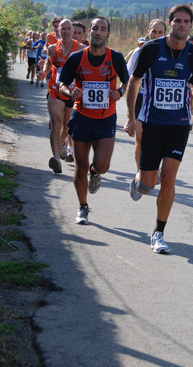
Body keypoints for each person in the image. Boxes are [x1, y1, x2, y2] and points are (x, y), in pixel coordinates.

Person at [125, 4, 193, 254]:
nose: (182, 25)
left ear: (191, 25)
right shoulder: (151, 49)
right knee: (149, 182)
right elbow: (134, 81)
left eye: (186, 22)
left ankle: (159, 232)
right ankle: (139, 181)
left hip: (179, 125)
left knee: (169, 178)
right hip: (152, 123)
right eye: (178, 21)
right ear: (170, 23)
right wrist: (131, 117)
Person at [59, 17, 129, 225]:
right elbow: (63, 85)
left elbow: (128, 81)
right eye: (95, 28)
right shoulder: (76, 58)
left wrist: (120, 92)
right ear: (89, 32)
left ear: (108, 34)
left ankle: (95, 172)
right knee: (80, 165)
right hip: (81, 117)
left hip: (106, 118)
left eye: (103, 29)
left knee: (103, 164)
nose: (98, 32)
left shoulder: (115, 58)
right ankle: (82, 207)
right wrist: (71, 92)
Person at [38, 20, 86, 173]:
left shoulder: (82, 49)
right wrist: (43, 72)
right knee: (56, 122)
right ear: (58, 31)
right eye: (62, 29)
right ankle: (56, 158)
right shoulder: (53, 48)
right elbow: (48, 63)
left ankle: (63, 142)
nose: (65, 31)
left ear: (72, 31)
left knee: (66, 126)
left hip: (72, 92)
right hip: (55, 90)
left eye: (68, 29)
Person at [127, 19, 167, 170]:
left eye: (160, 32)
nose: (156, 35)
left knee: (159, 139)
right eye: (154, 32)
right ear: (148, 33)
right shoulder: (139, 52)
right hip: (142, 99)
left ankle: (154, 168)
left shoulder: (170, 53)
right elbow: (128, 76)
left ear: (165, 34)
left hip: (161, 102)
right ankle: (140, 172)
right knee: (140, 138)